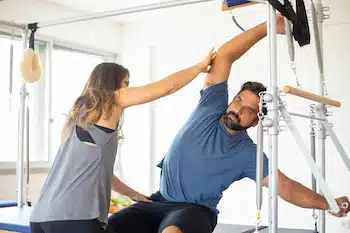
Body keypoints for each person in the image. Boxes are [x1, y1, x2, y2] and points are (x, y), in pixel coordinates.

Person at [107, 14, 350, 233]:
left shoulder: (247, 153)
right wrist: (268, 27)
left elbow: (285, 187)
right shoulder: (211, 106)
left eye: (248, 110)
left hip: (195, 211)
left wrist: (327, 203)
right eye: (238, 100)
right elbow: (224, 56)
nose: (237, 110)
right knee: (115, 224)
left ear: (257, 121)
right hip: (159, 200)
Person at [29, 48, 216, 233]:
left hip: (41, 217)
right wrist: (200, 67)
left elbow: (100, 172)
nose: (127, 89)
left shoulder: (77, 113)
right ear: (113, 83)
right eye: (125, 83)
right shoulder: (113, 99)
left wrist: (135, 196)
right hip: (76, 217)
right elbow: (166, 87)